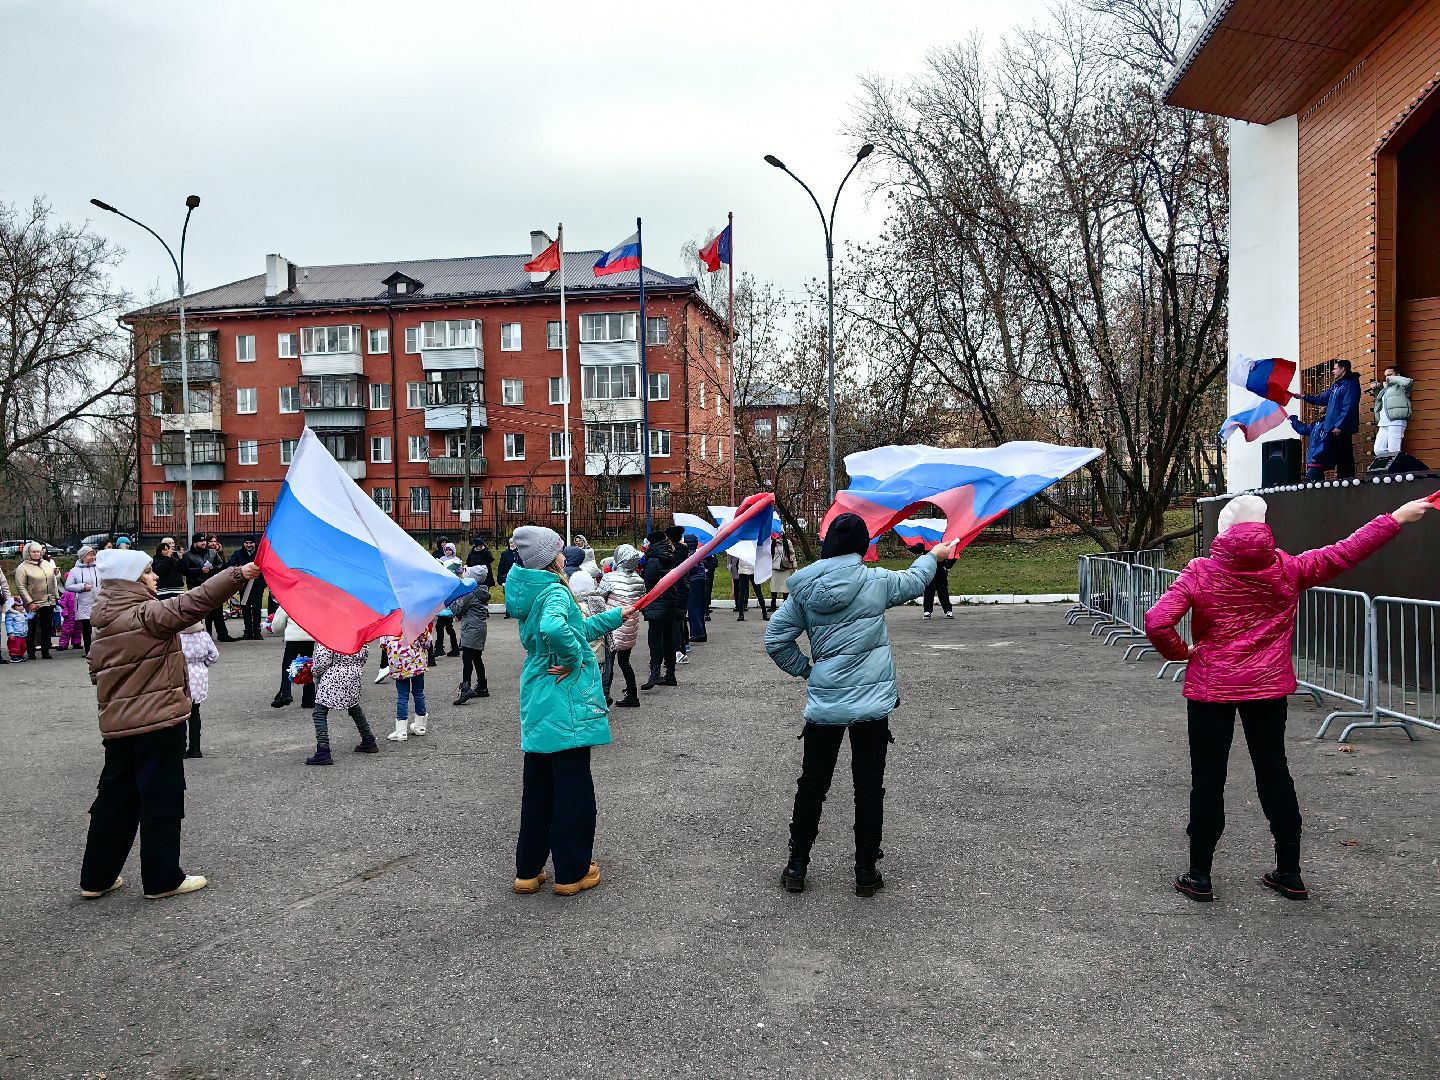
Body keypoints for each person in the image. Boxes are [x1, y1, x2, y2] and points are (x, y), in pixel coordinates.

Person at [1145, 494, 1434, 904]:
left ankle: (1199, 875)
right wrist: (1396, 517)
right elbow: (1346, 552)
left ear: (1224, 531)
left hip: (1212, 687)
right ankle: (1289, 871)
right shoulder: (1287, 568)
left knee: (1208, 778)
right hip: (1268, 687)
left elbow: (1157, 620)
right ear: (1264, 530)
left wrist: (1181, 651)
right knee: (1274, 771)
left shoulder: (1201, 572)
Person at [764, 512, 952, 897]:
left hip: (825, 705)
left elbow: (775, 640)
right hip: (872, 707)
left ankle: (797, 865)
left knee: (812, 785)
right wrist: (934, 554)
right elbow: (916, 580)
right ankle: (866, 871)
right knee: (869, 787)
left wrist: (808, 671)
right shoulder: (876, 581)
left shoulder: (803, 592)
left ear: (828, 544)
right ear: (862, 546)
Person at [79, 549, 258, 901]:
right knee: (161, 797)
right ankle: (162, 879)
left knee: (115, 801)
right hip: (157, 723)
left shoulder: (103, 620)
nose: (155, 576)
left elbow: (94, 672)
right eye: (148, 572)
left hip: (117, 727)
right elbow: (193, 602)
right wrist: (238, 574)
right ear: (132, 579)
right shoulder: (145, 613)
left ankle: (96, 878)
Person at [504, 525, 631, 897]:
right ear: (549, 557)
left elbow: (571, 628)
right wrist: (574, 658)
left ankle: (528, 870)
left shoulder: (531, 589)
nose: (564, 552)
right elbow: (556, 630)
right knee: (573, 788)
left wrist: (614, 617)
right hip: (564, 696)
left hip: (539, 692)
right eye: (559, 548)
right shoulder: (555, 590)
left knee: (539, 787)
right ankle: (572, 872)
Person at [306, 641, 378, 765]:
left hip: (333, 677)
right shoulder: (359, 635)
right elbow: (363, 657)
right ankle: (368, 739)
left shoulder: (330, 635)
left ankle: (323, 750)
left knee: (320, 712)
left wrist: (313, 671)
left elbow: (323, 660)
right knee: (353, 706)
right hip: (353, 675)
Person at [1293, 358, 1361, 479]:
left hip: (1341, 427)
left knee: (1345, 454)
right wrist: (1304, 397)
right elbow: (1322, 398)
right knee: (1339, 455)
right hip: (1332, 427)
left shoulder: (1351, 384)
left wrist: (1339, 425)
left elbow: (1348, 406)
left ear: (1342, 369)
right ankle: (1341, 480)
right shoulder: (1336, 386)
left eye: (1335, 368)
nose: (1333, 371)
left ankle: (1347, 480)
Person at [598, 544, 643, 707]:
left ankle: (604, 694)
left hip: (612, 624)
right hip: (630, 626)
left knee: (608, 661)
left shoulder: (609, 578)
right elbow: (641, 602)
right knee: (625, 662)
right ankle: (632, 695)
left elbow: (599, 599)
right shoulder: (639, 580)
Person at [640, 530, 681, 690]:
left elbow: (648, 583)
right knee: (669, 639)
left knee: (655, 640)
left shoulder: (654, 560)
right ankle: (670, 674)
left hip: (657, 604)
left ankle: (655, 672)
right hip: (670, 602)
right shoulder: (671, 556)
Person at [383, 623, 432, 741]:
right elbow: (428, 642)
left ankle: (401, 731)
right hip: (417, 663)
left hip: (399, 664)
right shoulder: (417, 620)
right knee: (418, 693)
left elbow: (384, 644)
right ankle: (420, 726)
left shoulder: (388, 622)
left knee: (402, 696)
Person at [451, 564, 491, 705]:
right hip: (480, 628)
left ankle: (466, 687)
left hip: (470, 628)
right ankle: (482, 686)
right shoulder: (482, 591)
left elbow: (457, 609)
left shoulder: (470, 593)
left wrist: (451, 599)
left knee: (467, 658)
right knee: (476, 657)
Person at [178, 622, 219, 758]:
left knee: (181, 715)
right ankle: (195, 748)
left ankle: (181, 748)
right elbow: (214, 656)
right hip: (199, 675)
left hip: (181, 674)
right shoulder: (204, 636)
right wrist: (203, 664)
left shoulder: (177, 637)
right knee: (195, 711)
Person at [15, 542, 58, 660]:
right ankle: (31, 651)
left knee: (47, 627)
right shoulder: (22, 568)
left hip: (48, 601)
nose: (36, 554)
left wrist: (55, 597)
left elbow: (53, 581)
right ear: (28, 553)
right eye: (34, 552)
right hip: (33, 602)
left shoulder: (46, 564)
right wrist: (29, 602)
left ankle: (45, 651)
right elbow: (21, 587)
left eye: (38, 551)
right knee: (31, 628)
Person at [267, 605, 315, 710]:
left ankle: (286, 693)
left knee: (287, 665)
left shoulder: (287, 602)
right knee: (306, 666)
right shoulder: (313, 602)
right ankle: (309, 698)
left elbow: (276, 627)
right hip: (309, 637)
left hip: (293, 638)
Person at [64, 546, 101, 659]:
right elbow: (68, 586)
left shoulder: (99, 568)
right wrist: (82, 586)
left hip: (99, 601)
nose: (92, 557)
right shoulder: (75, 571)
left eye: (93, 554)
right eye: (90, 555)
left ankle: (99, 650)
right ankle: (88, 650)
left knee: (99, 628)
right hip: (84, 603)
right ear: (83, 557)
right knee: (87, 628)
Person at [1369, 365, 1414, 456]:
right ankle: (1387, 469)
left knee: (1393, 450)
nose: (1387, 378)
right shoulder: (1386, 388)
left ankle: (1396, 470)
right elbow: (1382, 402)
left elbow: (1408, 382)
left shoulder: (1402, 387)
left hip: (1396, 421)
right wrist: (1377, 389)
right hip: (1384, 422)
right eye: (1386, 376)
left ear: (1397, 375)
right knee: (1378, 450)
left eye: (1389, 375)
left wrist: (1394, 379)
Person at [226, 538, 265, 639]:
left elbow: (266, 568)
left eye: (251, 543)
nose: (248, 545)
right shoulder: (238, 553)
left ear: (254, 544)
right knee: (245, 608)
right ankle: (248, 631)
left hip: (257, 585)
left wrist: (262, 583)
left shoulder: (260, 554)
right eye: (246, 543)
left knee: (257, 609)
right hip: (243, 585)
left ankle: (257, 631)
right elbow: (230, 565)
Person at [203, 536, 233, 641]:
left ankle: (222, 634)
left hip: (218, 584)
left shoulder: (218, 553)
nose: (213, 543)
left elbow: (223, 567)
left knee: (218, 611)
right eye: (210, 541)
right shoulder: (205, 553)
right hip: (207, 583)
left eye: (215, 541)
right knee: (208, 612)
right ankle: (209, 634)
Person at [918, 543, 956, 619]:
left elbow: (952, 552)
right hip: (928, 568)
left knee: (943, 590)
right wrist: (910, 546)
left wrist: (948, 565)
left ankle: (948, 610)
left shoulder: (944, 539)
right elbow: (919, 548)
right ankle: (927, 611)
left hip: (940, 569)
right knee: (928, 590)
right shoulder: (925, 538)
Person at [728, 551, 768, 621]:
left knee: (755, 592)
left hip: (749, 570)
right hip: (746, 570)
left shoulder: (744, 545)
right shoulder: (751, 544)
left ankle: (741, 615)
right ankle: (763, 614)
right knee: (746, 593)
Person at [684, 535, 709, 645]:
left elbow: (692, 568)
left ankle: (697, 633)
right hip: (700, 581)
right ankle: (701, 632)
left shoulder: (690, 554)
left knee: (693, 608)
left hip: (694, 582)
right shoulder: (697, 552)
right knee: (699, 608)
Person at [768, 532, 797, 615]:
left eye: (780, 533)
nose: (778, 535)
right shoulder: (771, 543)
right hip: (774, 567)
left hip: (785, 567)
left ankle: (785, 606)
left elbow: (792, 554)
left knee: (785, 588)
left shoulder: (787, 542)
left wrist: (794, 566)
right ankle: (773, 605)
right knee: (774, 587)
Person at [497, 538, 519, 619]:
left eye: (513, 542)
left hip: (517, 577)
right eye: (510, 542)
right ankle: (508, 612)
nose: (512, 544)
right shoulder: (505, 554)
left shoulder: (519, 553)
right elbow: (501, 566)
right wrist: (500, 579)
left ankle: (517, 612)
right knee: (508, 596)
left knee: (517, 595)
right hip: (507, 577)